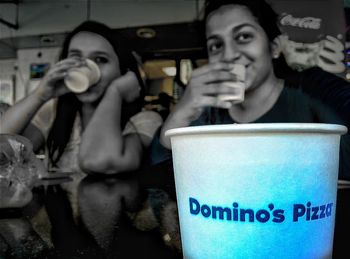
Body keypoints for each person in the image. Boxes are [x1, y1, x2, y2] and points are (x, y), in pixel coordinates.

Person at [0, 20, 163, 251]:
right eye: (76, 58)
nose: (87, 67)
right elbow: (3, 142)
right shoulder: (54, 113)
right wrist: (42, 94)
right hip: (64, 235)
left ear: (123, 72)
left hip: (118, 237)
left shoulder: (143, 120)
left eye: (101, 60)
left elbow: (99, 161)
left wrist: (115, 92)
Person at [156, 0, 350, 181]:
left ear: (274, 47)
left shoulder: (315, 89)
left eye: (243, 36)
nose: (229, 55)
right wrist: (179, 114)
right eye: (216, 45)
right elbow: (160, 182)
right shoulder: (207, 115)